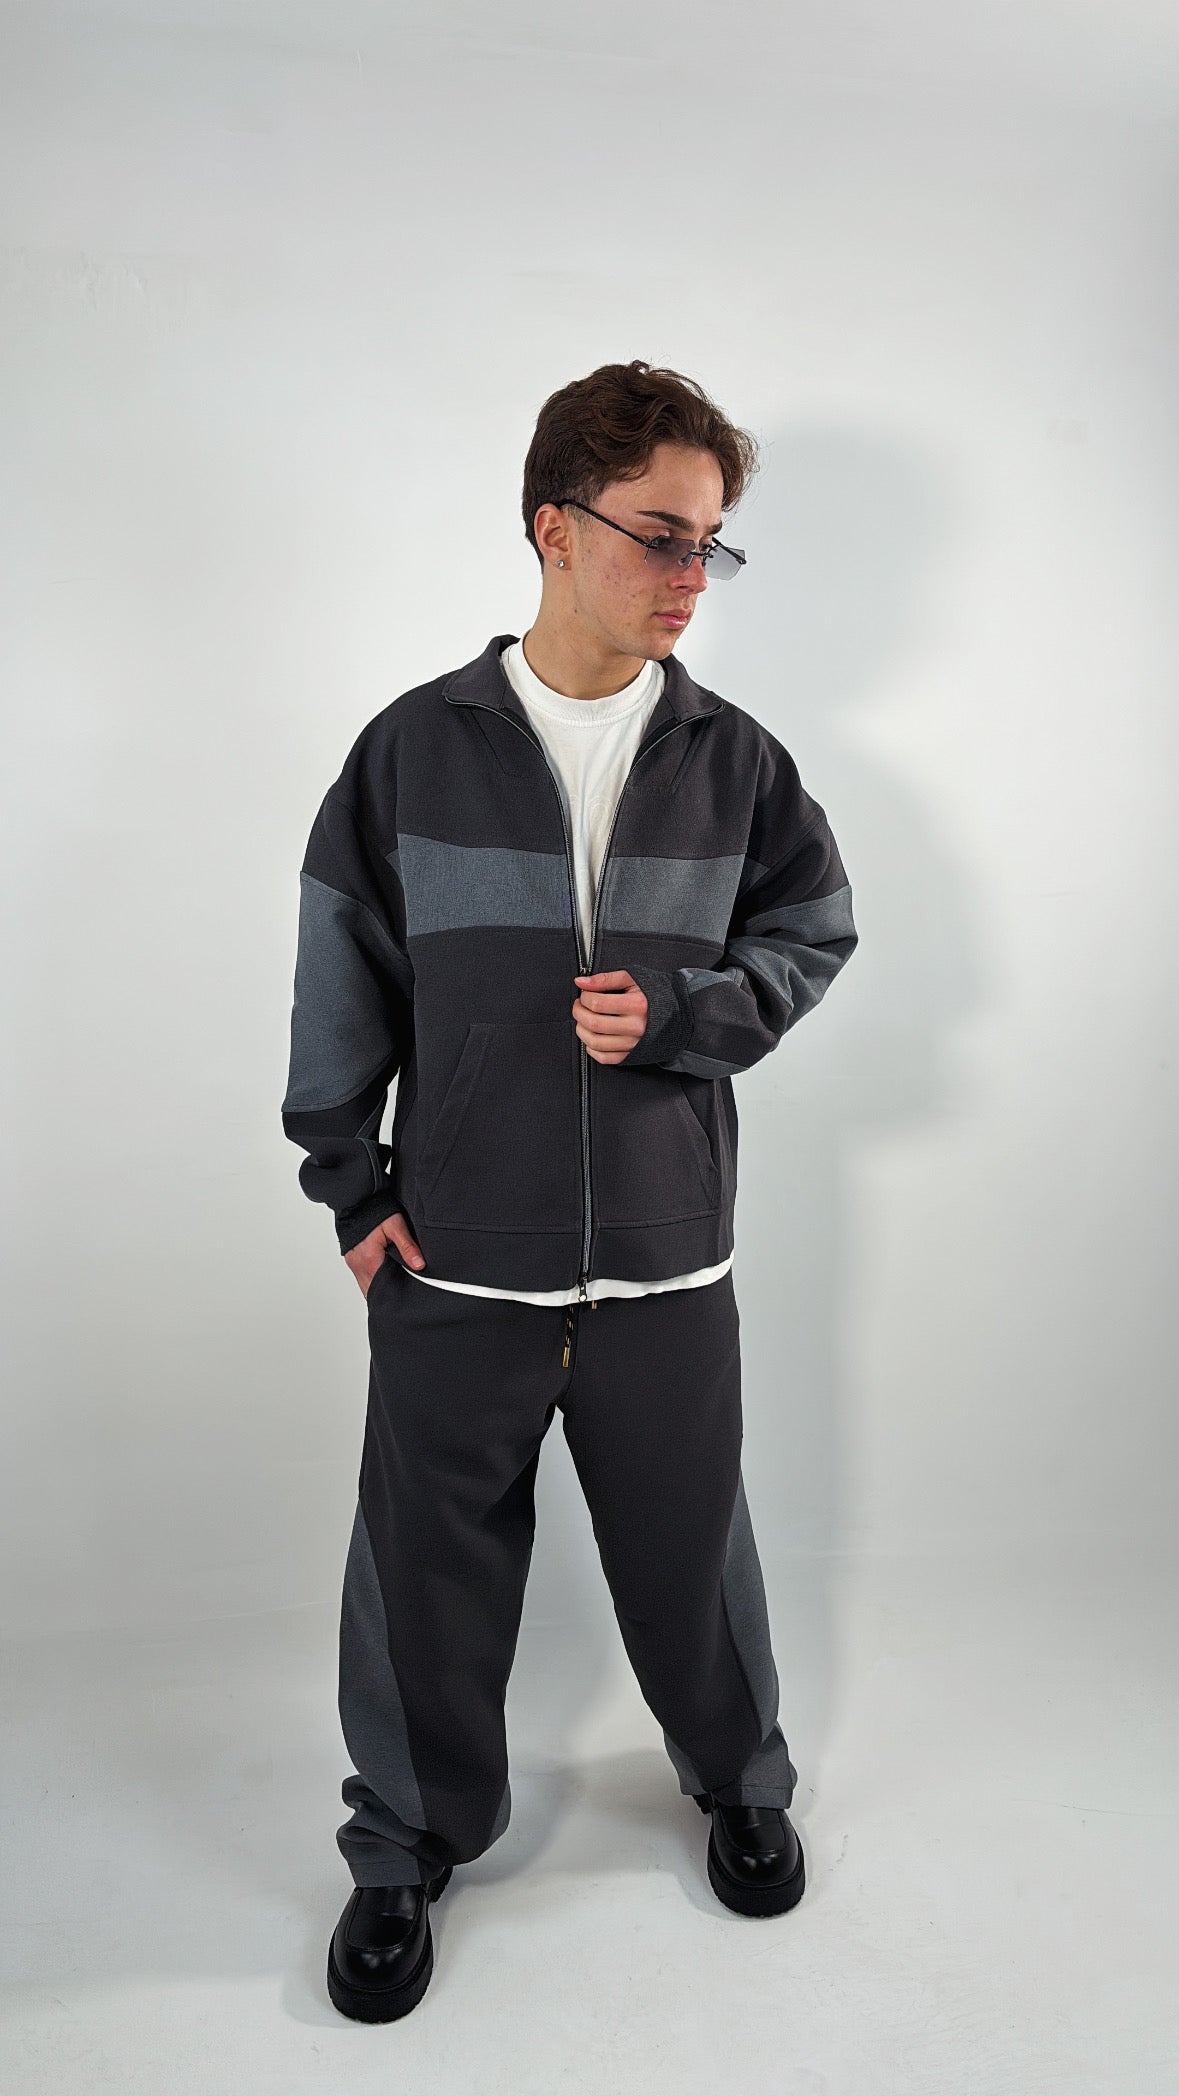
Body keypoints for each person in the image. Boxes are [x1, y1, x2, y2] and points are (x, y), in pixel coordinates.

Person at [281, 358, 859, 2022]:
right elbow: (341, 976)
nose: (693, 576)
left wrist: (688, 1015)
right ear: (555, 527)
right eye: (662, 536)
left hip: (667, 1265)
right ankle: (405, 1846)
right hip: (459, 1261)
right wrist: (352, 1188)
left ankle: (739, 1781)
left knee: (693, 1558)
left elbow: (811, 932)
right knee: (424, 1572)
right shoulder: (413, 753)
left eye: (711, 543)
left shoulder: (735, 762)